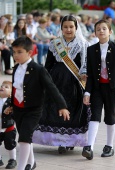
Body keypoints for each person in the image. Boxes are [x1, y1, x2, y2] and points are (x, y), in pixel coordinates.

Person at [33, 15, 90, 153]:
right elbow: (48, 65)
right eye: (65, 27)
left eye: (71, 26)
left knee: (73, 110)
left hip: (75, 83)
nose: (68, 29)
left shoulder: (83, 44)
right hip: (56, 81)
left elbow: (86, 65)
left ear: (76, 28)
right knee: (55, 109)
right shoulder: (55, 44)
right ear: (61, 28)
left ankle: (69, 141)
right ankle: (59, 141)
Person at [10, 36, 70, 170]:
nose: (16, 55)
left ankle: (21, 167)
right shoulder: (15, 69)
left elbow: (52, 87)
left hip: (33, 110)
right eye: (14, 52)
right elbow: (16, 89)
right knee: (25, 136)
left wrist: (62, 106)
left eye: (19, 52)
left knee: (24, 137)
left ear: (29, 52)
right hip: (19, 109)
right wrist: (10, 105)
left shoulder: (38, 69)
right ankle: (31, 162)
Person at [82, 19, 115, 160]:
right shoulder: (91, 50)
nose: (101, 31)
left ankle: (109, 146)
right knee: (94, 115)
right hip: (97, 88)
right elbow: (90, 74)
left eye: (104, 28)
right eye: (98, 29)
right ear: (95, 33)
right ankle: (89, 147)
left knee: (110, 116)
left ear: (110, 31)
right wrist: (87, 92)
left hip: (112, 89)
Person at [0, 81, 17, 169]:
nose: (2, 87)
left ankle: (12, 159)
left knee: (10, 144)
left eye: (6, 87)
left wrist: (11, 110)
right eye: (2, 86)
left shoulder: (11, 103)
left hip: (8, 128)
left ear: (11, 93)